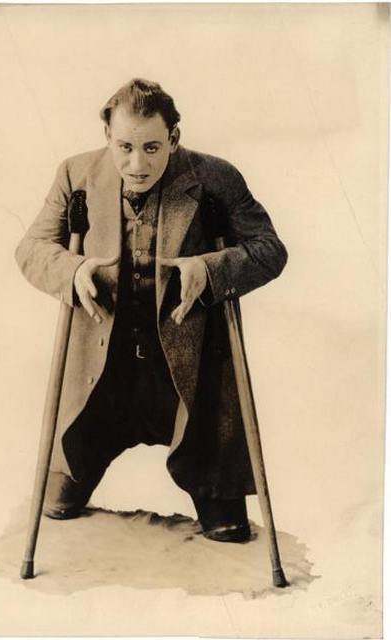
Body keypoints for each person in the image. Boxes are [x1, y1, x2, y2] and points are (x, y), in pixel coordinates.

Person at [15, 78, 287, 543]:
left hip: (188, 368)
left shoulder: (216, 177)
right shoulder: (75, 174)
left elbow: (269, 250)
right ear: (107, 135)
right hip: (103, 367)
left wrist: (209, 269)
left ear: (174, 138)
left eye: (152, 147)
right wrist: (73, 270)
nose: (137, 164)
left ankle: (210, 481)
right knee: (55, 508)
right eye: (125, 147)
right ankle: (77, 461)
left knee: (227, 532)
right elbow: (32, 248)